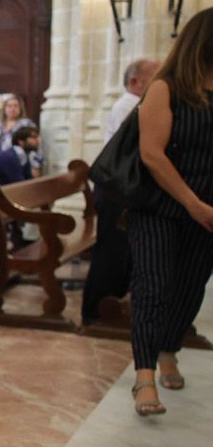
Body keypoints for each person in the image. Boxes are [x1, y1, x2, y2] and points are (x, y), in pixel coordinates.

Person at [126, 8, 213, 417]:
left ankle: (168, 348)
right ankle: (144, 376)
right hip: (161, 205)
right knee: (153, 286)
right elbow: (152, 155)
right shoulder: (167, 87)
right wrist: (192, 204)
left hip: (208, 210)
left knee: (190, 288)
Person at [82, 58, 161, 325]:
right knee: (110, 252)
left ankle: (112, 304)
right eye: (155, 75)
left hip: (121, 190)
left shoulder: (137, 104)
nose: (161, 81)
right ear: (135, 81)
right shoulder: (129, 105)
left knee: (121, 253)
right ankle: (95, 310)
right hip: (116, 189)